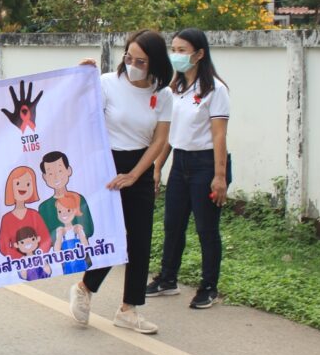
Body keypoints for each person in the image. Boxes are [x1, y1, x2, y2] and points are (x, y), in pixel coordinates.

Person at [68, 30, 173, 334]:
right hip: (107, 164)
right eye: (129, 57)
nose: (132, 65)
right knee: (111, 235)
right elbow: (80, 114)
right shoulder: (107, 83)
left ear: (155, 63)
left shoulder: (163, 94)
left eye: (140, 61)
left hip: (139, 167)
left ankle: (129, 308)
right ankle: (85, 288)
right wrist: (81, 78)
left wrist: (135, 175)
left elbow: (159, 140)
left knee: (139, 239)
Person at [148, 28, 230, 310]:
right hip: (180, 161)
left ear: (199, 54)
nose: (176, 55)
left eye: (182, 50)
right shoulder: (175, 90)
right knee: (173, 224)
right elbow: (169, 135)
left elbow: (219, 135)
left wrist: (219, 177)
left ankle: (209, 287)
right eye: (174, 50)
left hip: (206, 164)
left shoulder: (215, 90)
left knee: (206, 229)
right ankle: (167, 279)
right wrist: (157, 167)